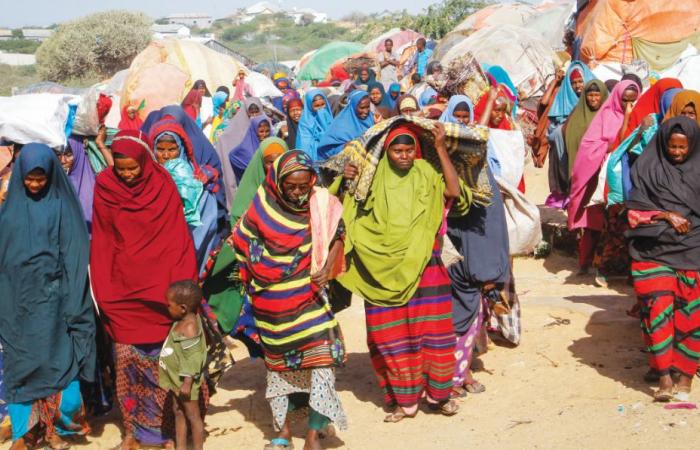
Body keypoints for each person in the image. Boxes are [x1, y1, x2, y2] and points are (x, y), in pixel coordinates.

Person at [339, 122, 470, 422]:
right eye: (397, 150)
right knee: (390, 336)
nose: (404, 155)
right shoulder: (371, 179)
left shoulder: (425, 173)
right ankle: (405, 401)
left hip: (426, 267)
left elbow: (453, 189)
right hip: (381, 272)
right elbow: (349, 209)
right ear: (387, 151)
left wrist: (438, 148)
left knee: (436, 335)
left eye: (410, 149)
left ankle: (439, 396)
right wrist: (348, 179)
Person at [232, 151, 348, 450]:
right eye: (291, 186)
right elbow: (243, 243)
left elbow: (339, 235)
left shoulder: (321, 203)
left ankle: (312, 436)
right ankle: (282, 433)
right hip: (273, 307)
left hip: (310, 298)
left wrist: (326, 266)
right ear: (278, 183)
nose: (298, 192)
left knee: (323, 365)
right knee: (280, 372)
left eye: (303, 185)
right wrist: (265, 270)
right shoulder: (261, 207)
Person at [91, 130, 199, 449]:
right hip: (122, 287)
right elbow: (102, 240)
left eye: (132, 168)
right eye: (121, 168)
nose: (126, 174)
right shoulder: (106, 186)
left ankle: (167, 432)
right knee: (126, 363)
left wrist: (180, 290)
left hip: (160, 289)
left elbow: (177, 239)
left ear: (143, 161)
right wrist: (104, 287)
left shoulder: (162, 184)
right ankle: (131, 432)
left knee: (162, 364)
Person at [0, 144, 95, 450]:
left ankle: (58, 427)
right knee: (22, 366)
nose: (35, 184)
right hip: (16, 305)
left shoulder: (62, 206)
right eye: (30, 179)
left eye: (41, 178)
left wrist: (70, 299)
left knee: (59, 364)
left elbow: (75, 256)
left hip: (56, 303)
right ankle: (23, 433)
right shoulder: (8, 211)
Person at [626, 117, 700, 402]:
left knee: (691, 317)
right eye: (672, 146)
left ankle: (686, 375)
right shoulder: (647, 169)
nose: (677, 152)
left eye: (683, 147)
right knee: (657, 314)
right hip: (652, 252)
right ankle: (664, 377)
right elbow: (633, 212)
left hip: (693, 252)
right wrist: (665, 214)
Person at [568, 80, 639, 276]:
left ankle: (615, 268)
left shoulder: (640, 116)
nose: (628, 105)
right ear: (617, 97)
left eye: (633, 101)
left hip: (627, 177)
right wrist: (626, 120)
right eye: (624, 100)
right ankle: (587, 263)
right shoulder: (606, 116)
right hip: (604, 178)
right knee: (596, 224)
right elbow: (600, 145)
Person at [150, 118, 221, 274]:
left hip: (189, 248)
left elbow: (207, 222)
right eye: (160, 150)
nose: (166, 155)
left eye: (172, 149)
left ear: (181, 148)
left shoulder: (197, 179)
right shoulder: (148, 176)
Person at [159, 281, 207, 450]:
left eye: (169, 305)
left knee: (193, 417)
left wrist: (187, 382)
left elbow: (193, 358)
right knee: (178, 411)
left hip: (185, 382)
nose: (167, 308)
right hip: (176, 379)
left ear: (183, 308)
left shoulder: (189, 328)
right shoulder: (182, 320)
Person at [563, 80, 609, 190]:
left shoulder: (608, 114)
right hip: (579, 165)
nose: (593, 99)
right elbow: (567, 133)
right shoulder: (577, 113)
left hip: (600, 166)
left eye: (597, 95)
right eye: (590, 95)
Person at [317, 90, 374, 162]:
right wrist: (345, 147)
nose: (366, 111)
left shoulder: (372, 119)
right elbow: (326, 150)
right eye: (362, 108)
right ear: (352, 107)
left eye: (368, 107)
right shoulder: (340, 126)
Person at [57, 136, 97, 231]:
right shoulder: (53, 180)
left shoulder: (93, 184)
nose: (62, 161)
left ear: (78, 153)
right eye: (59, 155)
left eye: (68, 154)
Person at [229, 115, 272, 184]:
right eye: (261, 132)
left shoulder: (272, 143)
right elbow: (232, 156)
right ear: (254, 131)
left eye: (267, 131)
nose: (265, 134)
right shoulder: (246, 149)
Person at [296, 89, 333, 162]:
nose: (321, 108)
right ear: (310, 107)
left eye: (323, 104)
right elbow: (304, 148)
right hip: (314, 162)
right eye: (317, 106)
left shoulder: (329, 118)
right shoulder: (305, 123)